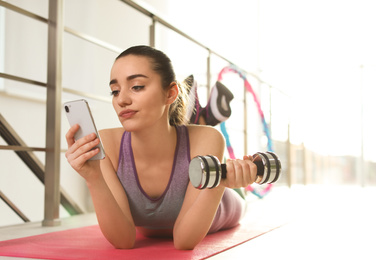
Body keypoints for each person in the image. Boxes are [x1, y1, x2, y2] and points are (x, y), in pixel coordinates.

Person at [65, 45, 259, 250]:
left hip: (224, 197)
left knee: (224, 174)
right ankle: (199, 116)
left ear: (170, 93)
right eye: (115, 91)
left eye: (137, 86)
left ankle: (200, 120)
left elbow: (184, 241)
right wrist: (93, 178)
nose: (122, 100)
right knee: (200, 154)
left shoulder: (208, 138)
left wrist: (219, 184)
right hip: (189, 162)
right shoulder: (107, 143)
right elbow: (123, 241)